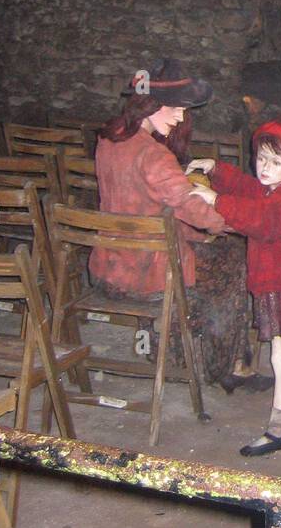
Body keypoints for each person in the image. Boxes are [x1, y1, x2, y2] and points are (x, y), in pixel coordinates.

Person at [91, 58, 247, 387]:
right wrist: (241, 220)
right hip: (149, 276)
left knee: (199, 250)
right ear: (149, 104)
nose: (181, 117)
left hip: (110, 267)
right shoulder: (154, 155)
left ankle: (170, 348)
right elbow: (196, 212)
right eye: (175, 108)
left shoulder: (109, 139)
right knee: (233, 259)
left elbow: (154, 202)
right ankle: (221, 365)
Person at [189, 121, 281, 457]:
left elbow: (260, 221)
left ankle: (278, 429)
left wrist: (216, 199)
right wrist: (217, 170)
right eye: (262, 159)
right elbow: (247, 187)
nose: (265, 168)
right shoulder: (270, 189)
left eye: (276, 163)